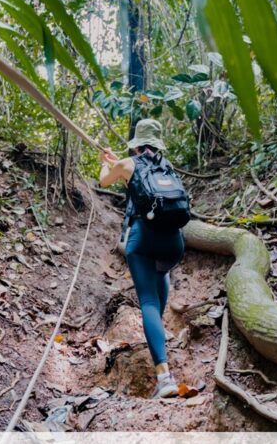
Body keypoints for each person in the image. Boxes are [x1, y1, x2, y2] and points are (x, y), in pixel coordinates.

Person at [98, 118, 185, 398]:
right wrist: (117, 161)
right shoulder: (166, 166)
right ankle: (157, 330)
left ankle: (164, 378)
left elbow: (104, 180)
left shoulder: (127, 164)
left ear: (137, 142)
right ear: (157, 143)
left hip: (143, 240)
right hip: (174, 243)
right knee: (161, 276)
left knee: (147, 300)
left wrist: (104, 161)